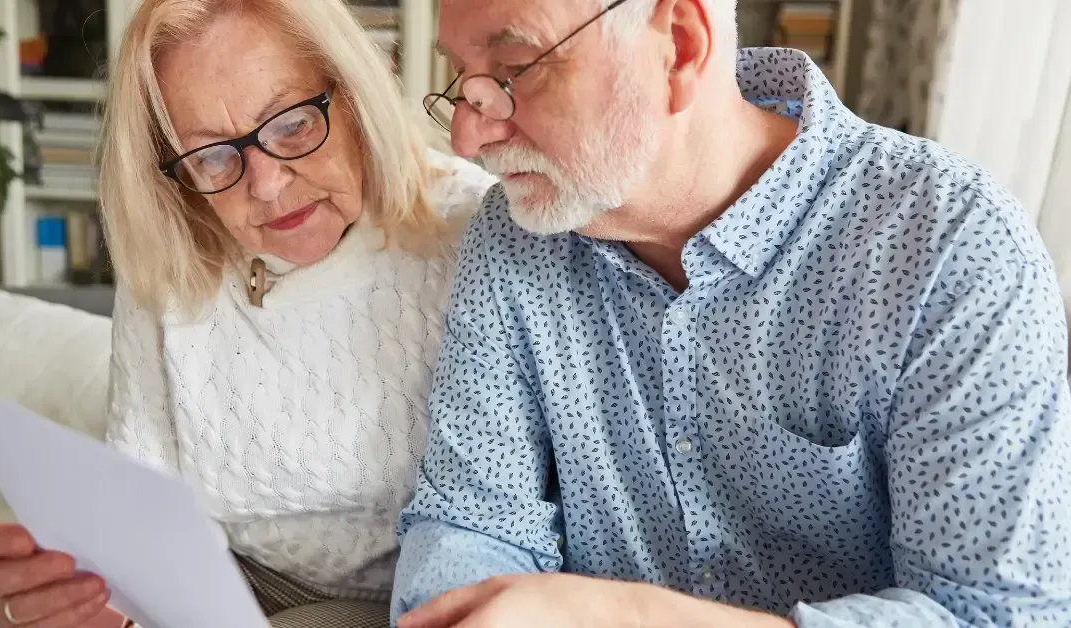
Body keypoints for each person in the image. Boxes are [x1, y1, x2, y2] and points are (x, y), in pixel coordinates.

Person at [391, 0, 1071, 626]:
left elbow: (996, 616)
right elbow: (471, 521)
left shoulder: (952, 247)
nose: (466, 137)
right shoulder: (512, 239)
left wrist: (629, 618)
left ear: (680, 46)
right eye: (464, 80)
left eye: (513, 70)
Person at [0, 0, 497, 626]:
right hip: (225, 594)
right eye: (212, 155)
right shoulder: (172, 260)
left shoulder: (475, 232)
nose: (266, 185)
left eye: (292, 123)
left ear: (354, 92)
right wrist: (107, 603)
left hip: (421, 603)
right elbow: (148, 505)